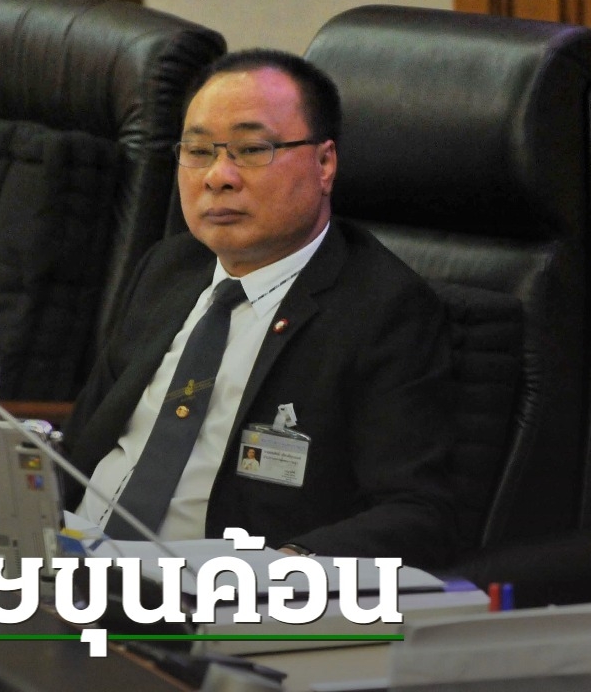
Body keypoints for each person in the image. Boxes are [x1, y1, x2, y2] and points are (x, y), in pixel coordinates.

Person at [61, 48, 458, 570]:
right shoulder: (168, 269)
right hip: (73, 563)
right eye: (198, 151)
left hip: (215, 593)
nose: (217, 177)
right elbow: (85, 438)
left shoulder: (385, 310)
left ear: (324, 164)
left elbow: (419, 512)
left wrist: (283, 568)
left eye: (250, 149)